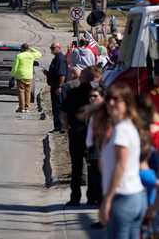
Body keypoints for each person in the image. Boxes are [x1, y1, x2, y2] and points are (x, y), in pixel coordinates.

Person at [99, 83, 146, 237]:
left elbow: (121, 165)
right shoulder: (127, 127)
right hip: (136, 197)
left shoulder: (121, 131)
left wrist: (108, 199)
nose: (111, 103)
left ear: (126, 103)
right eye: (108, 99)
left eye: (116, 99)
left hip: (122, 197)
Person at [61, 66, 102, 206]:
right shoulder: (97, 94)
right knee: (93, 166)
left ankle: (75, 197)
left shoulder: (73, 92)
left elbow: (64, 113)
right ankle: (92, 197)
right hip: (93, 133)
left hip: (77, 132)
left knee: (77, 166)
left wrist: (67, 127)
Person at [85, 86, 105, 219]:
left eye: (95, 96)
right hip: (92, 147)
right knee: (92, 172)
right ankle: (92, 198)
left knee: (98, 174)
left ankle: (100, 199)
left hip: (101, 147)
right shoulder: (91, 111)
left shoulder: (104, 112)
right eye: (91, 96)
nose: (92, 99)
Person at [10, 43, 42, 113]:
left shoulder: (19, 56)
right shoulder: (31, 55)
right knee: (28, 92)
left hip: (21, 76)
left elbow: (15, 67)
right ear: (27, 48)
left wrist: (12, 75)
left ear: (22, 49)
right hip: (29, 76)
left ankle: (21, 107)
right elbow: (39, 54)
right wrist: (31, 49)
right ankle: (27, 108)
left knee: (21, 91)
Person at [44, 42, 67, 132]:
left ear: (59, 48)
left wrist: (60, 86)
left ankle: (61, 126)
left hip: (58, 87)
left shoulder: (60, 59)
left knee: (59, 106)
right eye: (51, 48)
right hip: (54, 86)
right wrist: (48, 74)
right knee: (55, 107)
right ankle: (57, 126)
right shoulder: (56, 58)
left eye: (53, 48)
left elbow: (62, 74)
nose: (52, 50)